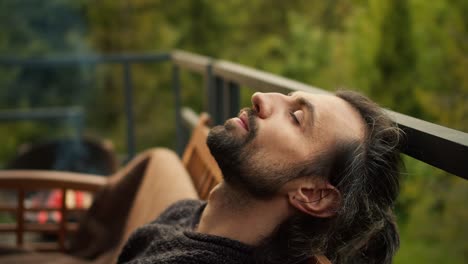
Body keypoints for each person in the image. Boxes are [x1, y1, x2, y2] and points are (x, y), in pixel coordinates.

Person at [117, 90, 403, 264]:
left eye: (296, 117)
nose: (261, 97)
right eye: (288, 97)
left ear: (313, 194)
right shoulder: (190, 215)